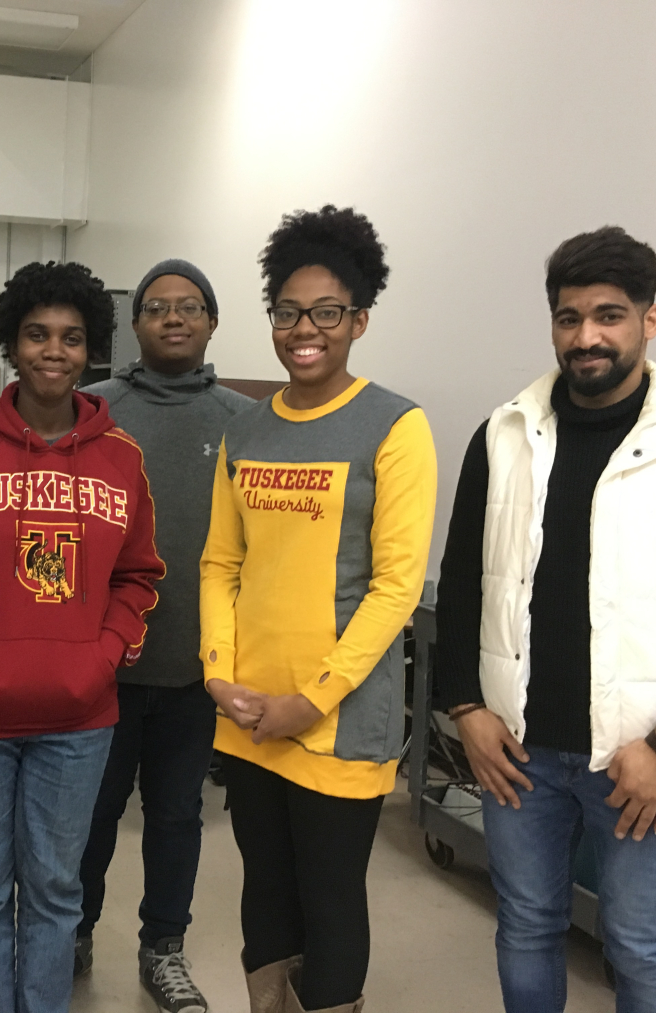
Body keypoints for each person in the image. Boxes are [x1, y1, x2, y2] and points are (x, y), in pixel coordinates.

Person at [435, 226, 656, 1013]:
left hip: (640, 760)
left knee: (642, 945)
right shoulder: (503, 435)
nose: (586, 336)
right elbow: (462, 581)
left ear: (649, 321)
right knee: (525, 924)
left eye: (609, 315)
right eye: (569, 317)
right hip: (519, 752)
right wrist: (465, 707)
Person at [201, 207, 436, 1013]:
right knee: (264, 888)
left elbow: (395, 586)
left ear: (359, 320)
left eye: (327, 312)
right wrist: (219, 675)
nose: (306, 329)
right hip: (250, 709)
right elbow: (220, 563)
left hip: (335, 720)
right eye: (289, 311)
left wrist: (314, 696)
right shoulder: (249, 429)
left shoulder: (396, 427)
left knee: (330, 898)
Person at [0, 260, 165, 1013]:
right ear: (11, 342)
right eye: (36, 334)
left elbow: (139, 575)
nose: (52, 350)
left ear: (89, 349)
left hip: (79, 720)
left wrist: (101, 657)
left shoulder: (122, 457)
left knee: (57, 891)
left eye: (70, 337)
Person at [77, 258, 252, 1011]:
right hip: (100, 669)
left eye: (190, 307)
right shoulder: (91, 409)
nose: (173, 318)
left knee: (179, 818)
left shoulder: (246, 419)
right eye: (157, 308)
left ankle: (163, 947)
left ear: (212, 321)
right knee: (88, 816)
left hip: (195, 670)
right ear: (134, 323)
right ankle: (73, 930)